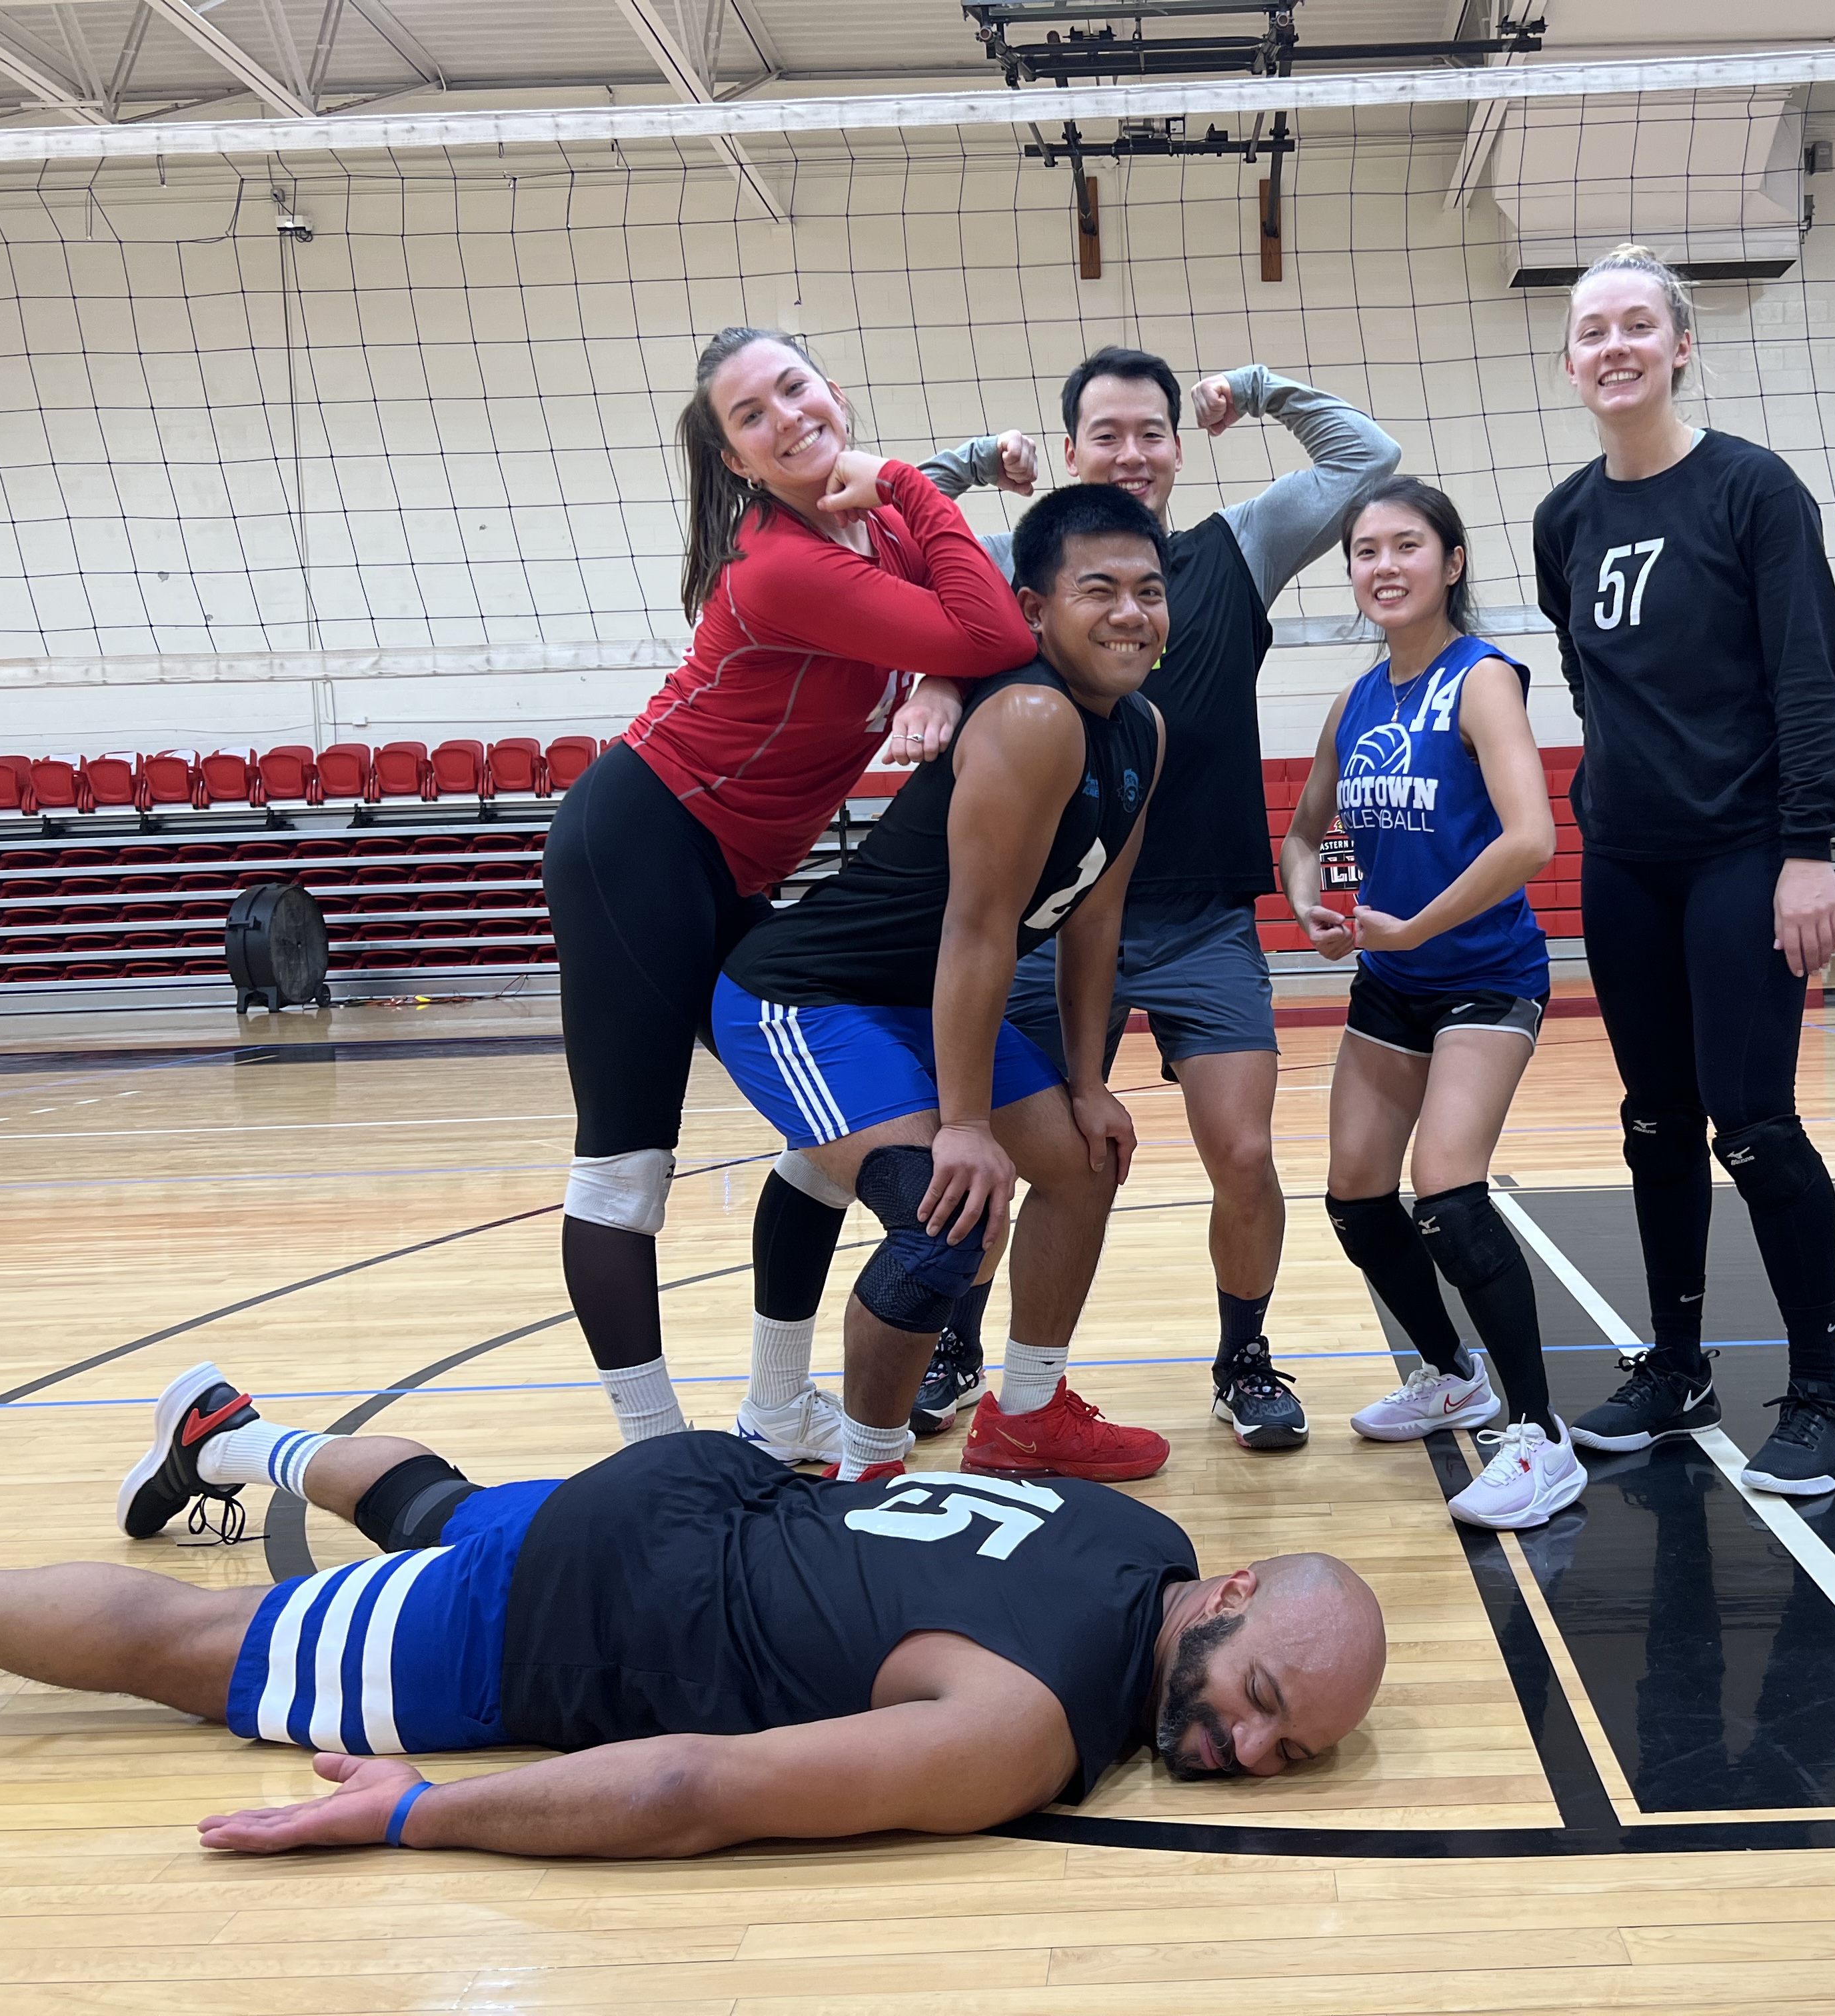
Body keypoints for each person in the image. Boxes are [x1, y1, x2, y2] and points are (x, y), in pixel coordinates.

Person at [0, 1363, 1386, 1854]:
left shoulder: (1141, 1532)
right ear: (1235, 1595)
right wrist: (416, 1813)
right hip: (591, 1613)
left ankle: (234, 1438)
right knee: (197, 1656)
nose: (1250, 1751)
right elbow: (692, 1788)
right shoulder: (1022, 1726)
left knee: (443, 1514)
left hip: (699, 1499)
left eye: (1290, 1753)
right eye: (1260, 1700)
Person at [761, 348, 1396, 1457]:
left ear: (1179, 446)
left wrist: (1257, 391)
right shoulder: (1027, 569)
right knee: (1002, 1159)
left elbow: (1367, 459)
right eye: (1107, 434)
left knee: (1243, 1154)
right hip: (1046, 922)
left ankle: (1242, 1360)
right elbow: (890, 524)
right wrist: (974, 464)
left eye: (1152, 431)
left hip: (1197, 915)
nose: (1132, 452)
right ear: (1068, 452)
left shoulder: (1234, 549)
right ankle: (958, 1352)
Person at [543, 327, 1033, 1464]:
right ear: (738, 462)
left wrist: (940, 677)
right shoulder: (777, 565)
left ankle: (774, 1412)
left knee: (826, 1135)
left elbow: (971, 623)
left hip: (729, 869)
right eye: (752, 416)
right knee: (626, 1169)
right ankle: (657, 1459)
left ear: (834, 392)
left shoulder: (876, 522)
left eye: (794, 388)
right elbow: (995, 628)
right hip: (638, 845)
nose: (787, 418)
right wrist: (911, 489)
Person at [707, 484, 1173, 1485]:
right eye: (1099, 590)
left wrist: (1090, 1082)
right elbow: (977, 931)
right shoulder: (1033, 715)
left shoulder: (1142, 727)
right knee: (946, 1219)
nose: (1131, 614)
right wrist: (964, 1125)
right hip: (808, 997)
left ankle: (1029, 1417)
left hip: (921, 1002)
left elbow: (1096, 917)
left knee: (1086, 1162)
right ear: (1035, 610)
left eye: (1149, 590)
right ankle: (869, 1480)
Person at [1531, 245, 1835, 1495]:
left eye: (1637, 326)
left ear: (1681, 347)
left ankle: (1824, 1395)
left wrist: (1807, 851)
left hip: (1743, 853)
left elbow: (1807, 679)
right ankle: (1677, 1367)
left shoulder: (1752, 491)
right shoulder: (1566, 520)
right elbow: (1590, 677)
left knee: (1754, 1124)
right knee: (1655, 1121)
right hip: (1626, 859)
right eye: (1592, 331)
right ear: (1570, 362)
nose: (1613, 347)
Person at [1279, 479, 1576, 1531]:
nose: (1384, 566)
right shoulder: (1356, 700)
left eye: (1407, 546)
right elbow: (1302, 834)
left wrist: (1414, 927)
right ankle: (1452, 1376)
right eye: (1365, 551)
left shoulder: (1481, 678)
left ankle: (1540, 1437)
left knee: (1446, 1190)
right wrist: (1308, 900)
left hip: (1486, 975)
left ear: (1450, 563)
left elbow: (1531, 838)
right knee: (1357, 1199)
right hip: (1393, 983)